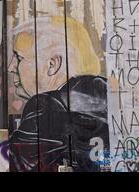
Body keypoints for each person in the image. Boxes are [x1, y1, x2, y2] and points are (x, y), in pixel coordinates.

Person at [9, 17, 109, 172]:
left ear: (52, 64)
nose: (11, 67)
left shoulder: (44, 105)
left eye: (19, 57)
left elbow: (12, 164)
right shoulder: (103, 91)